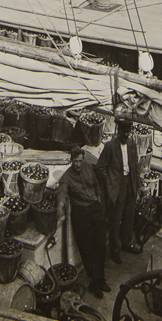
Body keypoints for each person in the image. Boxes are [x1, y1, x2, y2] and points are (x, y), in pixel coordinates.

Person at [57, 145, 111, 297]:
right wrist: (60, 205)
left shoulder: (88, 167)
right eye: (75, 162)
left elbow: (95, 185)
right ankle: (95, 282)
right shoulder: (67, 176)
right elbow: (62, 190)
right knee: (87, 248)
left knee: (100, 244)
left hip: (95, 209)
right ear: (71, 160)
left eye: (80, 161)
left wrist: (98, 200)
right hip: (81, 214)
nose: (78, 165)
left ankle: (101, 279)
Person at [96, 121, 142, 262]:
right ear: (118, 130)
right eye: (123, 132)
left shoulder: (132, 144)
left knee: (129, 216)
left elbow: (135, 165)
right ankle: (115, 250)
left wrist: (138, 185)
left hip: (130, 183)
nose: (126, 134)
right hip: (117, 186)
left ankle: (126, 243)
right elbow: (100, 168)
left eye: (128, 132)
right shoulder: (110, 146)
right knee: (116, 219)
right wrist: (110, 183)